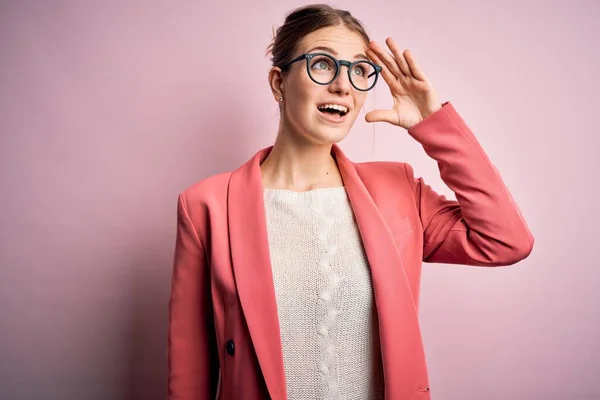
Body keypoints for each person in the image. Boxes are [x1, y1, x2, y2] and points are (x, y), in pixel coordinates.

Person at [167, 4, 534, 400]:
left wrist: (433, 123)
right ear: (278, 82)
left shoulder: (397, 189)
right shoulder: (206, 206)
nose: (343, 85)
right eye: (323, 64)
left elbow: (506, 240)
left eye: (359, 70)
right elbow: (190, 372)